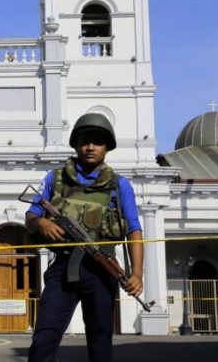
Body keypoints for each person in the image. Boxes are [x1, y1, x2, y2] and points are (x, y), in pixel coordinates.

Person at [26, 113, 144, 362]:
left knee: (100, 341)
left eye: (97, 142)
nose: (90, 147)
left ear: (106, 148)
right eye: (85, 141)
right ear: (76, 144)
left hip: (102, 271)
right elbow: (31, 216)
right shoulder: (55, 178)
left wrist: (137, 274)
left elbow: (134, 229)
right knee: (43, 339)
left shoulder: (119, 185)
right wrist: (42, 223)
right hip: (63, 269)